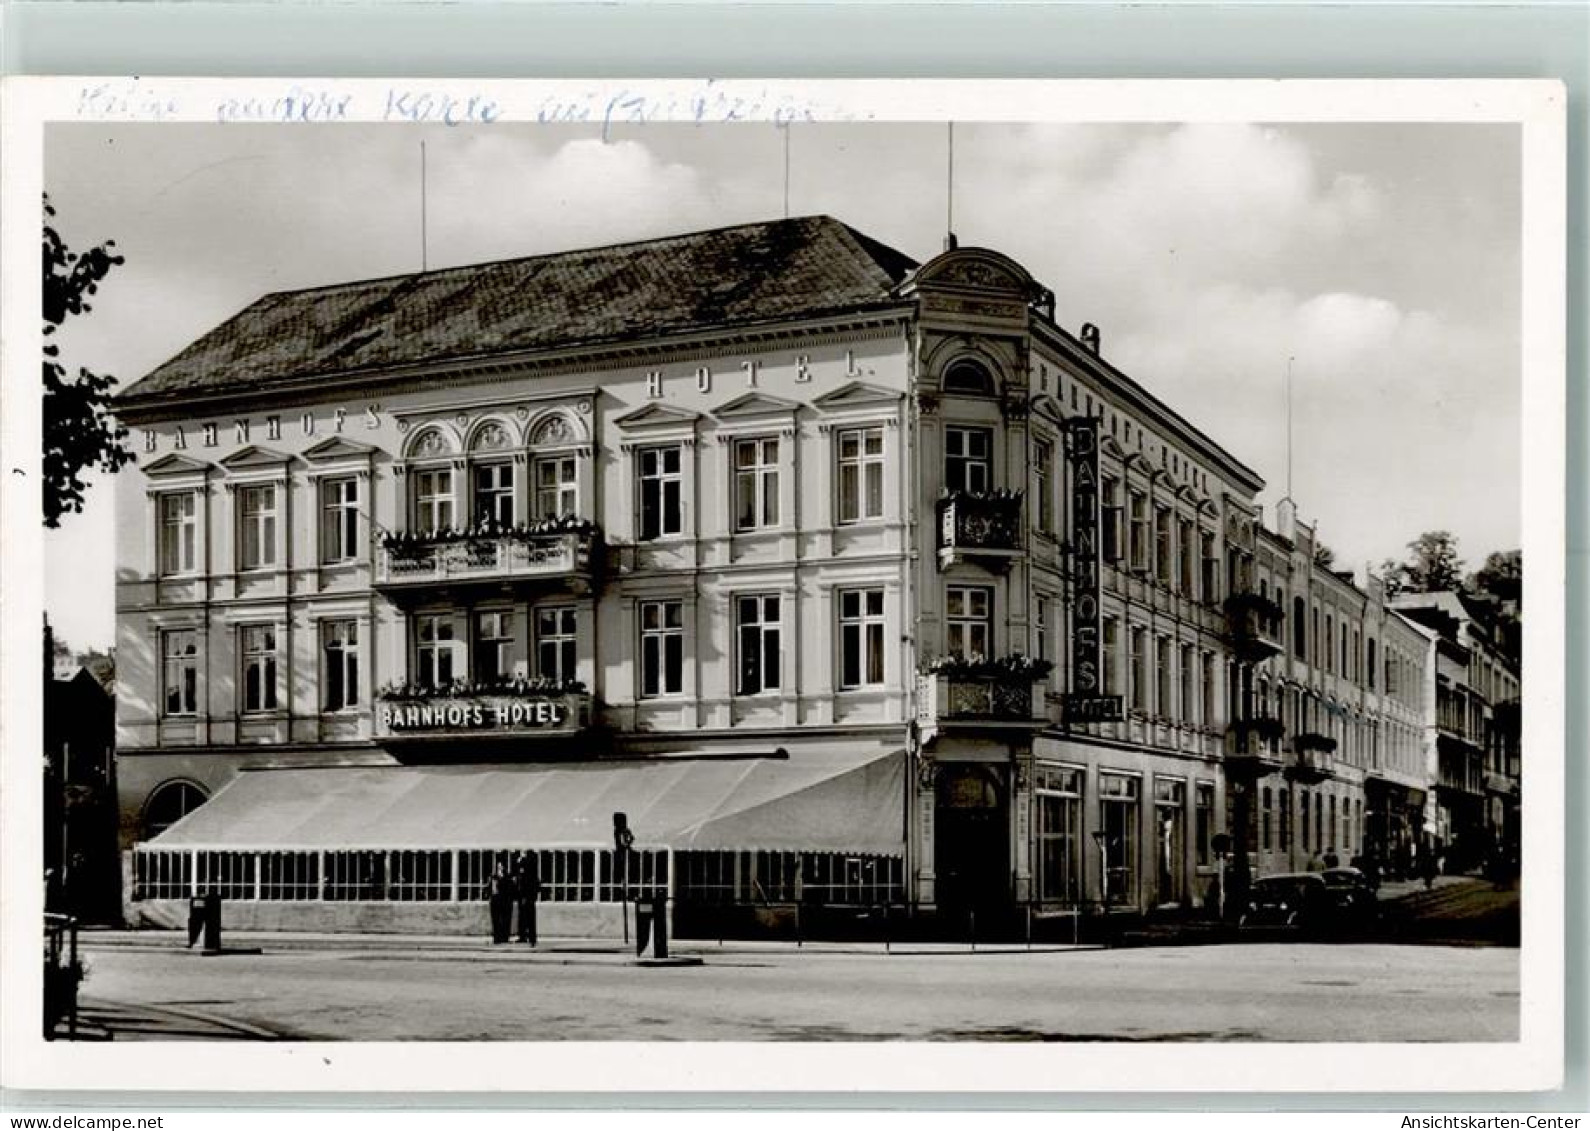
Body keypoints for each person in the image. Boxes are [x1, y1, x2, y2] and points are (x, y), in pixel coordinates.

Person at [513, 851, 540, 946]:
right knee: (523, 917)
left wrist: (527, 896)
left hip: (527, 896)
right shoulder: (522, 874)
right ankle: (523, 936)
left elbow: (530, 883)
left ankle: (531, 937)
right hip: (523, 895)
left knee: (529, 917)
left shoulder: (529, 870)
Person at [488, 861, 514, 944]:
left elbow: (510, 889)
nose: (500, 868)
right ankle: (496, 937)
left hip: (505, 901)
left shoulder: (508, 877)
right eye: (498, 866)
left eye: (501, 866)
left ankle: (505, 937)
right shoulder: (493, 877)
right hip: (495, 901)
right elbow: (490, 888)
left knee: (505, 919)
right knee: (496, 920)